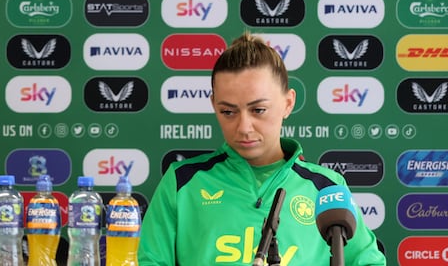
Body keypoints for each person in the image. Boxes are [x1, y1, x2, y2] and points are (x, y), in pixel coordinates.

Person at [138, 32, 386, 266]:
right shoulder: (182, 182)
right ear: (213, 105)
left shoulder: (327, 188)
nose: (244, 127)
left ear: (288, 103)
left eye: (258, 110)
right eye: (228, 112)